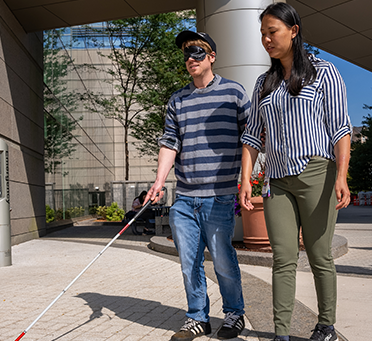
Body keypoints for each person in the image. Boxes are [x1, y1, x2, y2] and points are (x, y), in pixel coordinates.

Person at [239, 3, 351, 341]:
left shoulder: (324, 72)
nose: (266, 40)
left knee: (319, 254)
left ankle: (326, 325)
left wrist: (342, 176)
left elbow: (340, 129)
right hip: (277, 180)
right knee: (283, 258)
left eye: (272, 32)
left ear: (294, 31)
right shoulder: (264, 83)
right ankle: (282, 333)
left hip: (317, 173)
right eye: (262, 34)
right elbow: (251, 136)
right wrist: (246, 178)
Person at [145, 31, 249, 341]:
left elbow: (251, 138)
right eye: (187, 53)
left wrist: (247, 179)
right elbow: (169, 142)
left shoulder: (234, 93)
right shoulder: (178, 99)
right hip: (185, 197)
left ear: (212, 57)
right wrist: (160, 181)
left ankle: (233, 314)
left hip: (219, 195)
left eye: (197, 52)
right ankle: (197, 318)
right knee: (189, 261)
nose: (190, 58)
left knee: (221, 258)